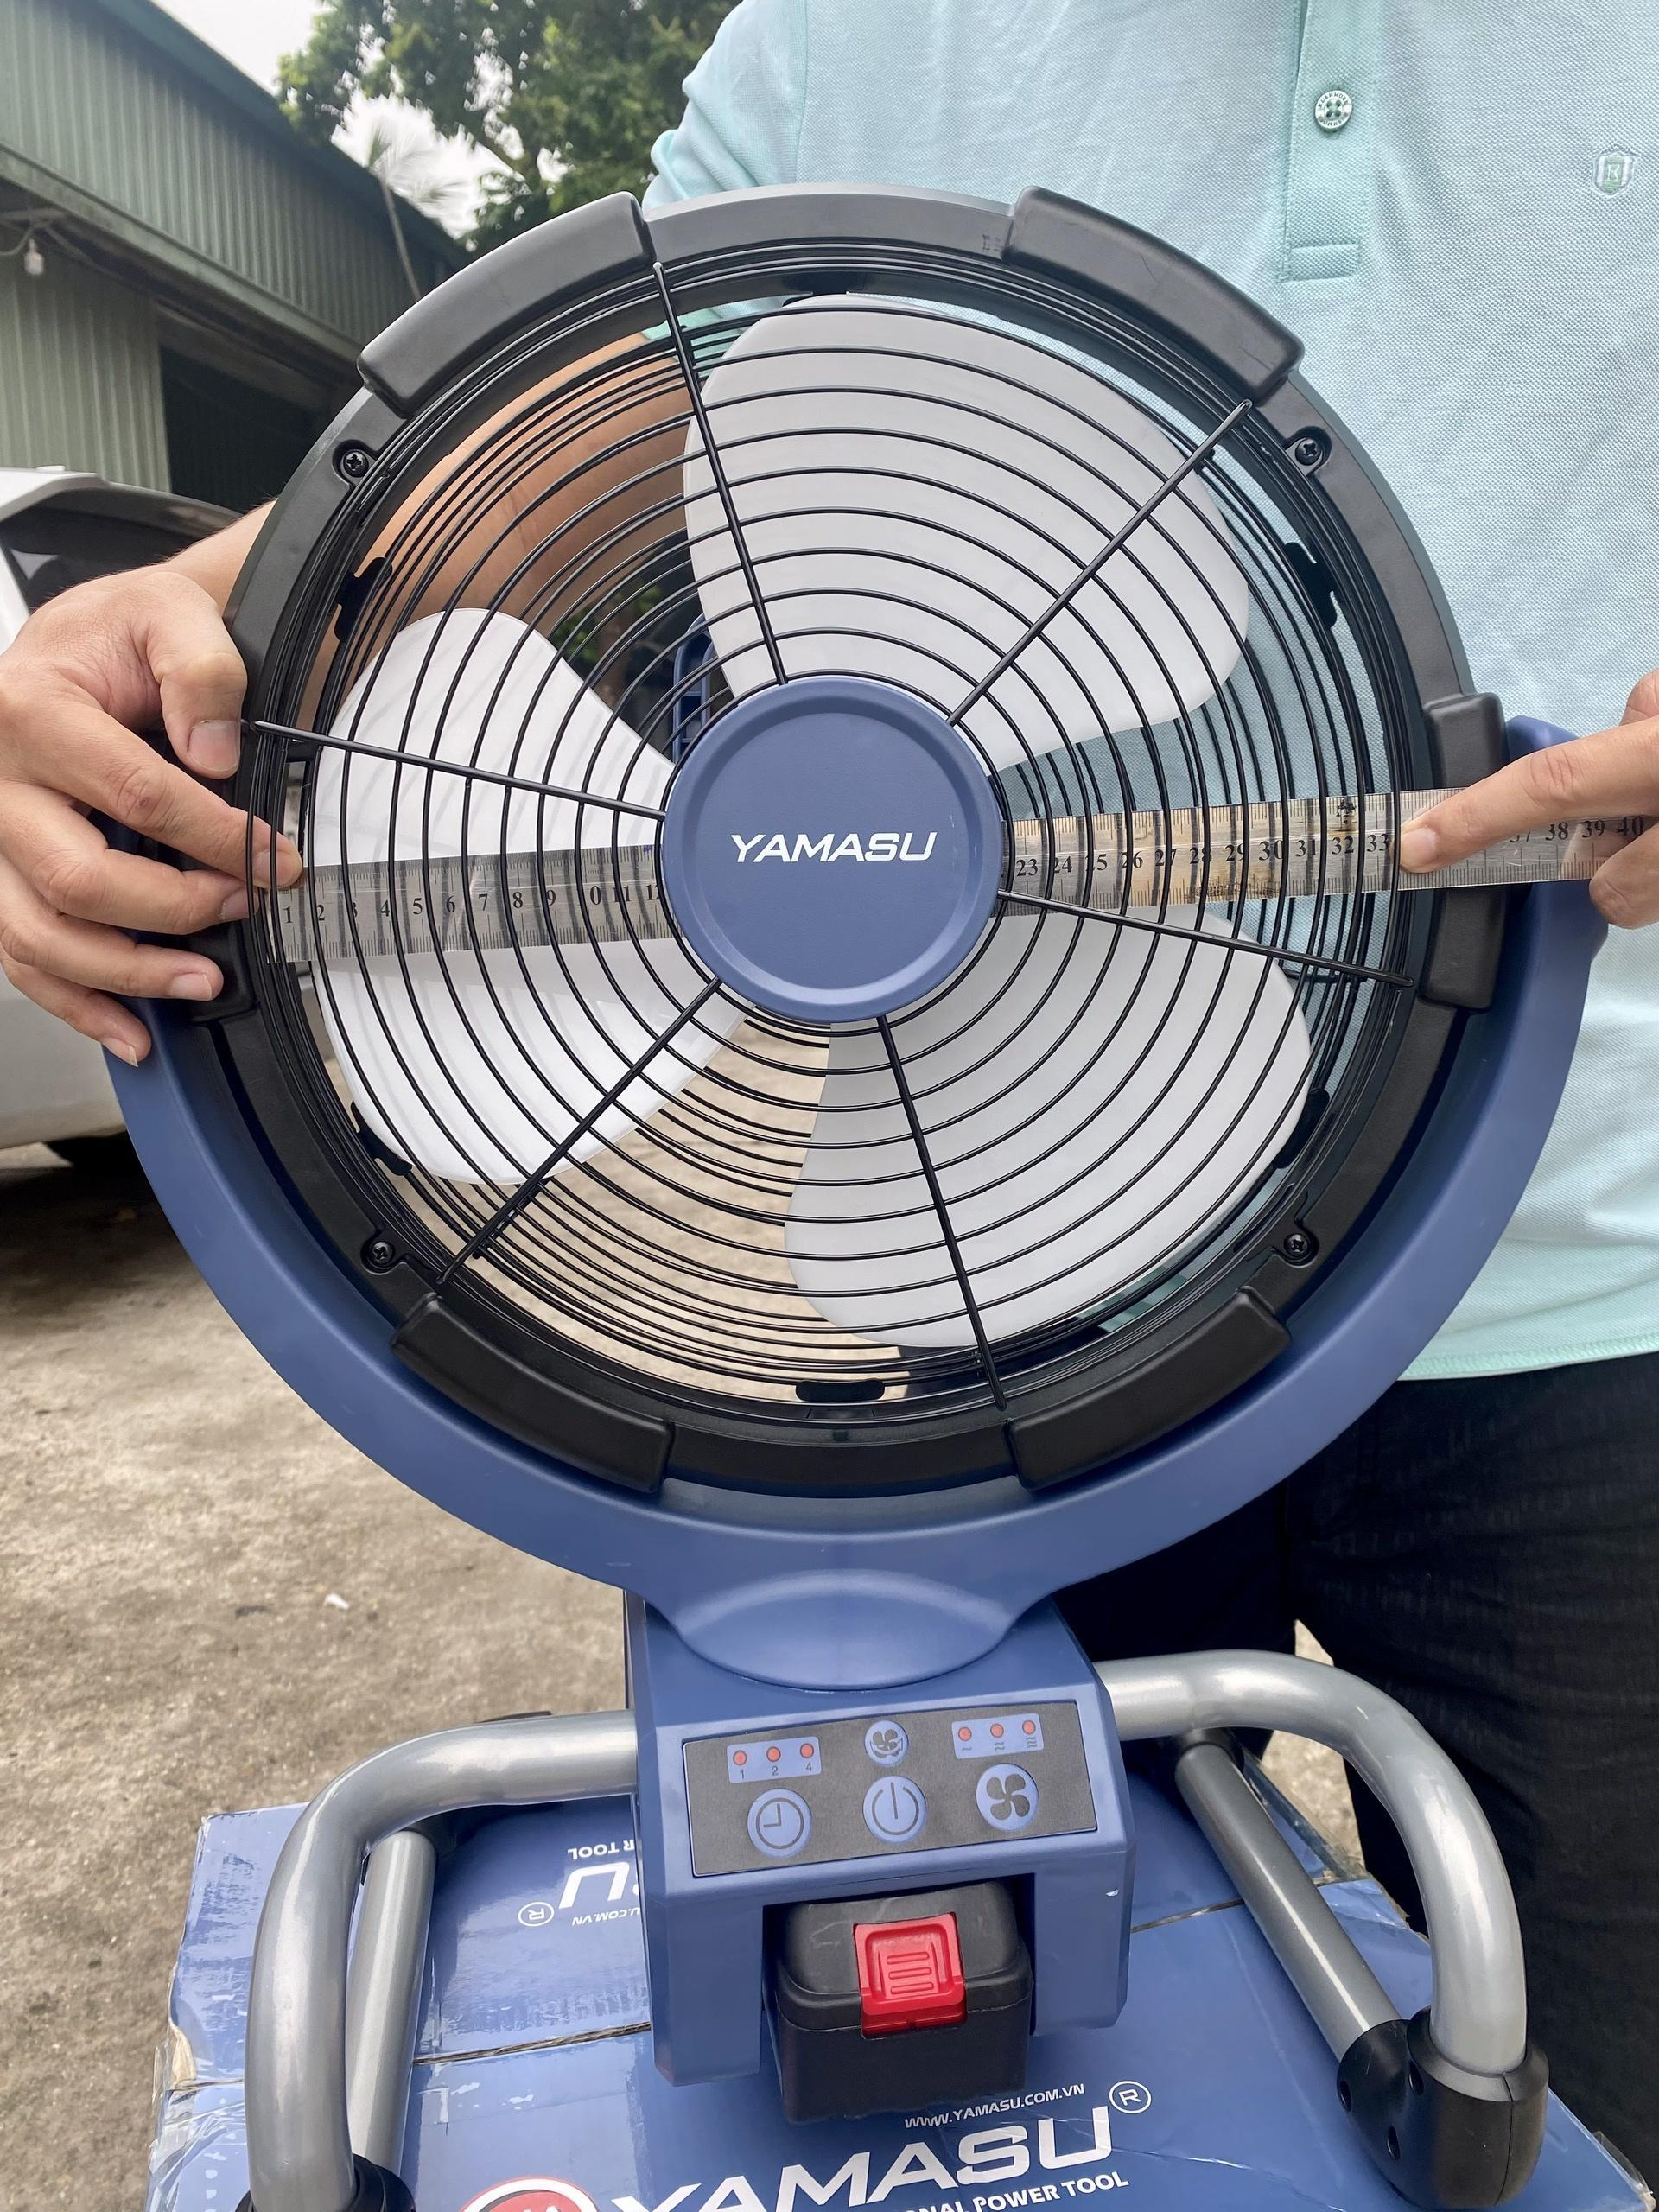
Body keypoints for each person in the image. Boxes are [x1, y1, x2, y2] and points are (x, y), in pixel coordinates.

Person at [0, 0, 1655, 2166]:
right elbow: (565, 438)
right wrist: (170, 641)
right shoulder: (863, 26)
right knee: (1025, 2095)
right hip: (1019, 1293)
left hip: (1601, 1273)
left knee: (1591, 2079)